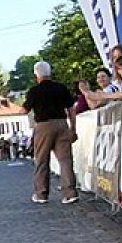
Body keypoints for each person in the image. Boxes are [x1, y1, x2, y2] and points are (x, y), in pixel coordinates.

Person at [22, 61, 78, 205]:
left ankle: (41, 194)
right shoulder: (61, 88)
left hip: (43, 126)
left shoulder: (34, 91)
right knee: (65, 160)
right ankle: (69, 193)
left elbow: (24, 110)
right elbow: (71, 109)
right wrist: (73, 128)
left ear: (36, 75)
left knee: (41, 160)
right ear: (50, 73)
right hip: (61, 123)